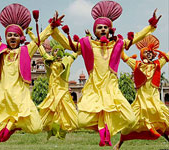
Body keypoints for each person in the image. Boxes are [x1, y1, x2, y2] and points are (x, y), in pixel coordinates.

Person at [48, 0, 161, 147]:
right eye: (99, 27)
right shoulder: (87, 44)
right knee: (82, 120)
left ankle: (106, 133)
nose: (102, 29)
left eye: (105, 27)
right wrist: (55, 29)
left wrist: (150, 27)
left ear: (110, 30)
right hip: (93, 89)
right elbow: (67, 45)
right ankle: (103, 132)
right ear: (95, 31)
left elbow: (136, 38)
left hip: (111, 90)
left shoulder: (117, 44)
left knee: (131, 119)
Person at [0, 2, 54, 143]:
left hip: (21, 97)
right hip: (2, 96)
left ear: (21, 38)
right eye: (9, 35)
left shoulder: (25, 51)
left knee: (36, 127)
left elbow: (39, 39)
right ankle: (9, 124)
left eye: (16, 35)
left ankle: (10, 124)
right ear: (6, 37)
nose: (12, 37)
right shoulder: (0, 49)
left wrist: (51, 26)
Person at [114, 34, 169, 150]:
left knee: (164, 121)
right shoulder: (137, 64)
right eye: (146, 52)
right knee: (130, 122)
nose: (149, 54)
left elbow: (167, 56)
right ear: (141, 53)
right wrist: (120, 43)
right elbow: (123, 57)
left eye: (150, 52)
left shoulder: (157, 64)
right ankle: (119, 143)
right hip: (140, 102)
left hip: (155, 102)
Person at [27, 29, 79, 139]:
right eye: (55, 50)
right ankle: (51, 130)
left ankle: (62, 131)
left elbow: (77, 52)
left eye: (60, 50)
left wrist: (86, 41)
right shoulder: (50, 62)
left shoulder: (67, 61)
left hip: (63, 92)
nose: (58, 52)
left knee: (68, 115)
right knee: (50, 113)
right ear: (52, 52)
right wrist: (31, 34)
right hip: (53, 92)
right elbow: (40, 48)